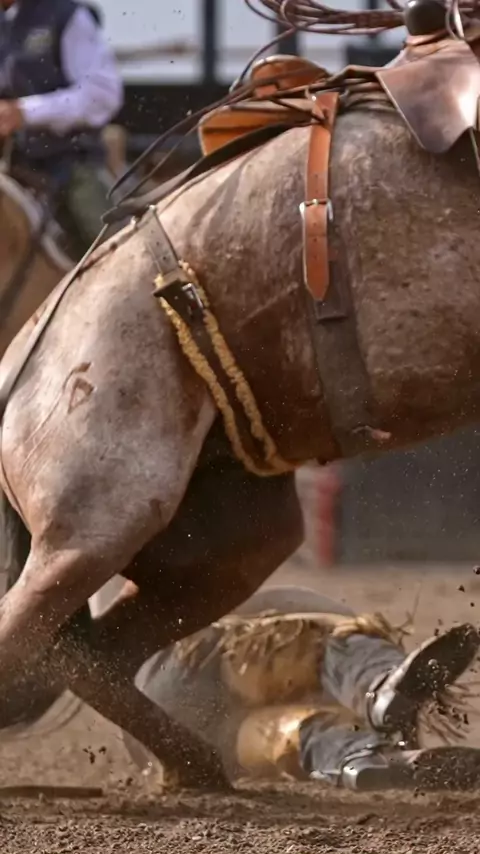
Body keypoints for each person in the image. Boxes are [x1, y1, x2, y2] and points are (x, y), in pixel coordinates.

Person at [122, 585, 480, 790]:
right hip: (189, 667)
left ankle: (369, 760)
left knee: (288, 733)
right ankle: (378, 691)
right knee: (326, 650)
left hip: (167, 721)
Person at [0, 0, 124, 255]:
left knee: (116, 247)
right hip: (10, 167)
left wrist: (26, 112)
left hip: (68, 164)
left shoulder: (66, 15)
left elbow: (102, 95)